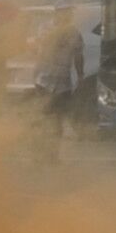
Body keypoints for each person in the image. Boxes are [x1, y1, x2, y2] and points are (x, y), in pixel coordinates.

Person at [34, 14, 87, 159]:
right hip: (44, 80)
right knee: (44, 117)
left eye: (68, 12)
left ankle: (53, 154)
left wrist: (81, 75)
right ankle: (40, 153)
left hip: (63, 83)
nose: (65, 15)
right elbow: (39, 48)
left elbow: (78, 55)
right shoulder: (45, 28)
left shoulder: (74, 32)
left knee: (58, 118)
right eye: (63, 11)